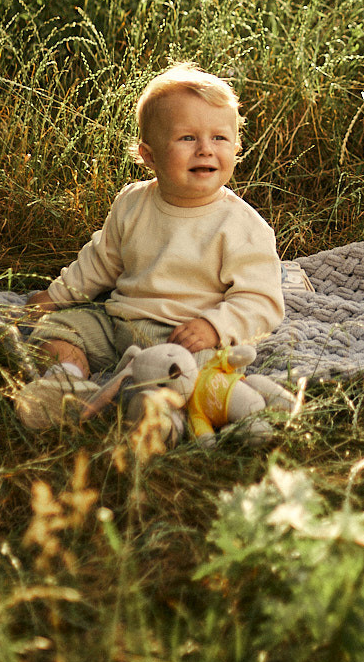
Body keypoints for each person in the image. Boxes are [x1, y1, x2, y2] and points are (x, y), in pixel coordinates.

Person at [15, 62, 283, 427]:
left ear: (236, 147)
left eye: (219, 138)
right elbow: (100, 262)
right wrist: (56, 297)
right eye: (188, 138)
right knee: (57, 331)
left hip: (186, 336)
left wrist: (214, 327)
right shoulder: (133, 202)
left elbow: (262, 300)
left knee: (196, 373)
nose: (205, 149)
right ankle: (65, 385)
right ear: (149, 155)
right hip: (118, 322)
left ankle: (160, 418)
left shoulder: (241, 225)